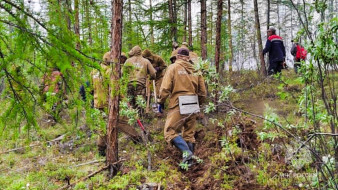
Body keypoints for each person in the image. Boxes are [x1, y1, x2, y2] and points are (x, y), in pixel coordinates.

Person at [158, 48, 207, 166]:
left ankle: (187, 153)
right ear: (188, 57)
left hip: (178, 103)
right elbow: (202, 92)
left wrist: (161, 101)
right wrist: (198, 103)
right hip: (193, 103)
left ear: (177, 57)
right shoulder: (196, 69)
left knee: (169, 132)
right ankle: (190, 162)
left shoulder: (173, 67)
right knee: (189, 135)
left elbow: (165, 88)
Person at [93, 51, 142, 156]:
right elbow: (115, 89)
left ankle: (101, 149)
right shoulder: (110, 71)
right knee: (122, 121)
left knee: (102, 126)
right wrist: (123, 99)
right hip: (109, 103)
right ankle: (137, 138)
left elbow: (91, 88)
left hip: (98, 103)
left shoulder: (94, 71)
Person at [124, 46, 156, 114]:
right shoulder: (146, 61)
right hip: (141, 85)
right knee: (140, 104)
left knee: (131, 104)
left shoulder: (128, 61)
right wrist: (151, 78)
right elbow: (153, 73)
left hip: (130, 85)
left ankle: (132, 120)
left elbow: (122, 72)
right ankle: (140, 120)